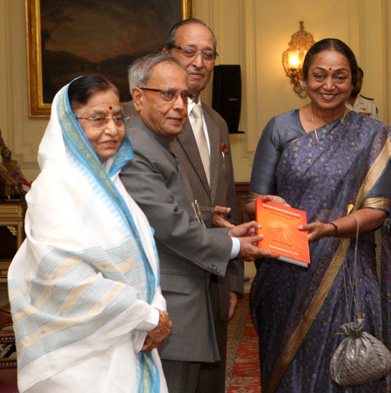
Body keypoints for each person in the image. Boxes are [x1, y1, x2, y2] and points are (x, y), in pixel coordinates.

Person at [246, 38, 391, 393]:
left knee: (345, 363)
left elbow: (377, 211)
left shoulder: (372, 135)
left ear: (354, 81)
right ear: (303, 79)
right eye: (319, 76)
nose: (329, 86)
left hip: (347, 268)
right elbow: (253, 200)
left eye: (340, 77)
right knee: (288, 363)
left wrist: (331, 229)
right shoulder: (280, 128)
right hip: (286, 265)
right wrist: (269, 205)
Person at [119, 53, 276, 393]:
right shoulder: (135, 149)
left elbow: (173, 213)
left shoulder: (159, 143)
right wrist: (235, 246)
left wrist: (224, 229)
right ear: (138, 97)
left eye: (184, 96)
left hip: (183, 303)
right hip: (167, 307)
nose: (179, 105)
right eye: (168, 94)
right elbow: (171, 227)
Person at [8, 75, 172, 393]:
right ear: (69, 123)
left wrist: (156, 308)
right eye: (98, 119)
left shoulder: (113, 184)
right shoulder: (53, 189)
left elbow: (143, 257)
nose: (112, 129)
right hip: (82, 362)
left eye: (117, 118)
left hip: (131, 340)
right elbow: (68, 280)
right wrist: (148, 317)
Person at [159, 19, 243, 393]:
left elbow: (226, 203)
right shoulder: (140, 118)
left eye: (207, 54)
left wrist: (235, 283)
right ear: (167, 55)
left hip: (216, 276)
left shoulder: (218, 123)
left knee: (211, 381)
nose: (198, 62)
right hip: (168, 279)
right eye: (188, 51)